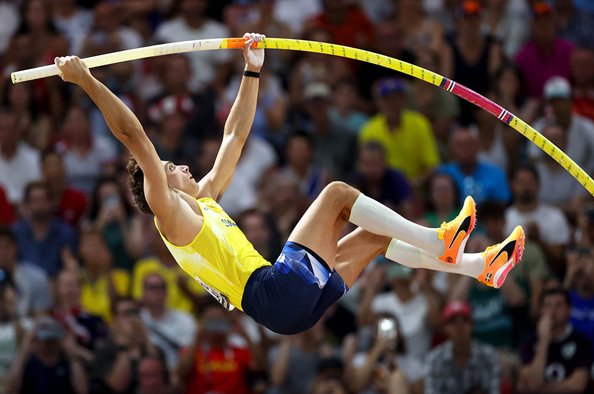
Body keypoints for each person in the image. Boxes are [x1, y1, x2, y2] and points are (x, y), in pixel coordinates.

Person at [53, 33, 525, 336]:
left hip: (288, 310)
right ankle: (438, 239)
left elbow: (234, 136)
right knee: (338, 195)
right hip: (272, 292)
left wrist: (252, 69)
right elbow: (133, 135)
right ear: (157, 179)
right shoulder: (168, 211)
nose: (184, 169)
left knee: (378, 236)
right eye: (172, 166)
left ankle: (479, 266)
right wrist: (86, 81)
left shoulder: (203, 204)